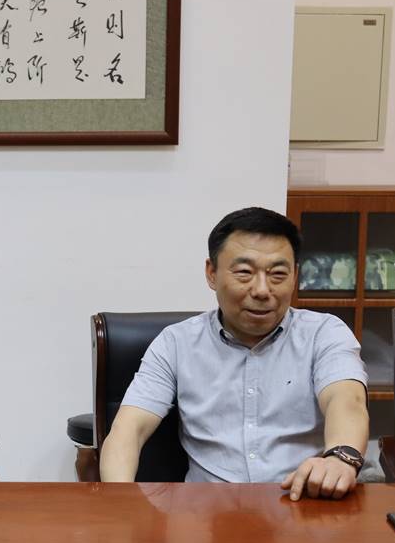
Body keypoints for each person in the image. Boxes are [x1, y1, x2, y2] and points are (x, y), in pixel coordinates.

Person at [100, 207, 368, 500]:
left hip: (302, 504)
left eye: (278, 274)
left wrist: (340, 458)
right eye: (244, 273)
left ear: (295, 276)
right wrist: (121, 503)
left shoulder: (324, 333)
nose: (262, 290)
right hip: (205, 513)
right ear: (212, 273)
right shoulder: (176, 343)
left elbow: (347, 400)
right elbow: (129, 429)